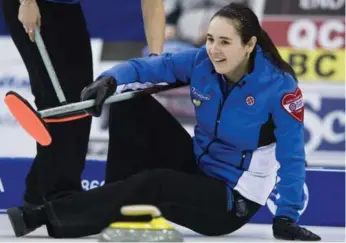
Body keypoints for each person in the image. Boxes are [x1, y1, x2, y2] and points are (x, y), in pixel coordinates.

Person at [8, 3, 321, 241]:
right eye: (211, 39)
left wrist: (286, 218)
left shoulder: (279, 89)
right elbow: (148, 69)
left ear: (250, 45)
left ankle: (47, 216)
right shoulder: (204, 62)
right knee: (132, 104)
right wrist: (109, 82)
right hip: (199, 168)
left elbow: (293, 157)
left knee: (155, 182)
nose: (214, 49)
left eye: (225, 42)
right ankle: (123, 214)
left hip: (229, 201)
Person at [2, 0, 166, 237]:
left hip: (66, 8)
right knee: (60, 107)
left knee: (81, 103)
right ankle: (60, 202)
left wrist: (155, 58)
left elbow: (153, 5)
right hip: (35, 5)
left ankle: (36, 202)